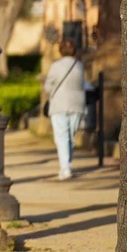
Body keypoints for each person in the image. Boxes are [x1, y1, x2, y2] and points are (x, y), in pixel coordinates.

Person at [44, 40, 94, 180]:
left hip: (59, 105)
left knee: (61, 137)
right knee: (70, 137)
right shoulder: (79, 66)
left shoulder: (55, 66)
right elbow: (83, 84)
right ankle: (67, 166)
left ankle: (65, 168)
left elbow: (48, 87)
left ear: (60, 50)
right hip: (77, 105)